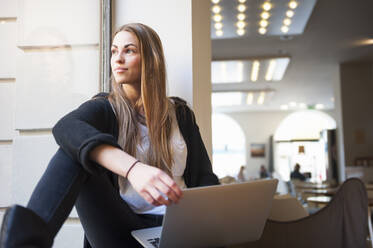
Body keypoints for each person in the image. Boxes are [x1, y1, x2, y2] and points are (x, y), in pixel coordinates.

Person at [0, 23, 219, 248]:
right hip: (122, 228)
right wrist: (133, 169)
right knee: (75, 151)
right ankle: (24, 243)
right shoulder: (105, 108)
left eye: (129, 50)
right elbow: (65, 126)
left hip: (178, 227)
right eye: (114, 51)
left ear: (151, 59)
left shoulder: (180, 114)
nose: (118, 58)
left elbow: (205, 180)